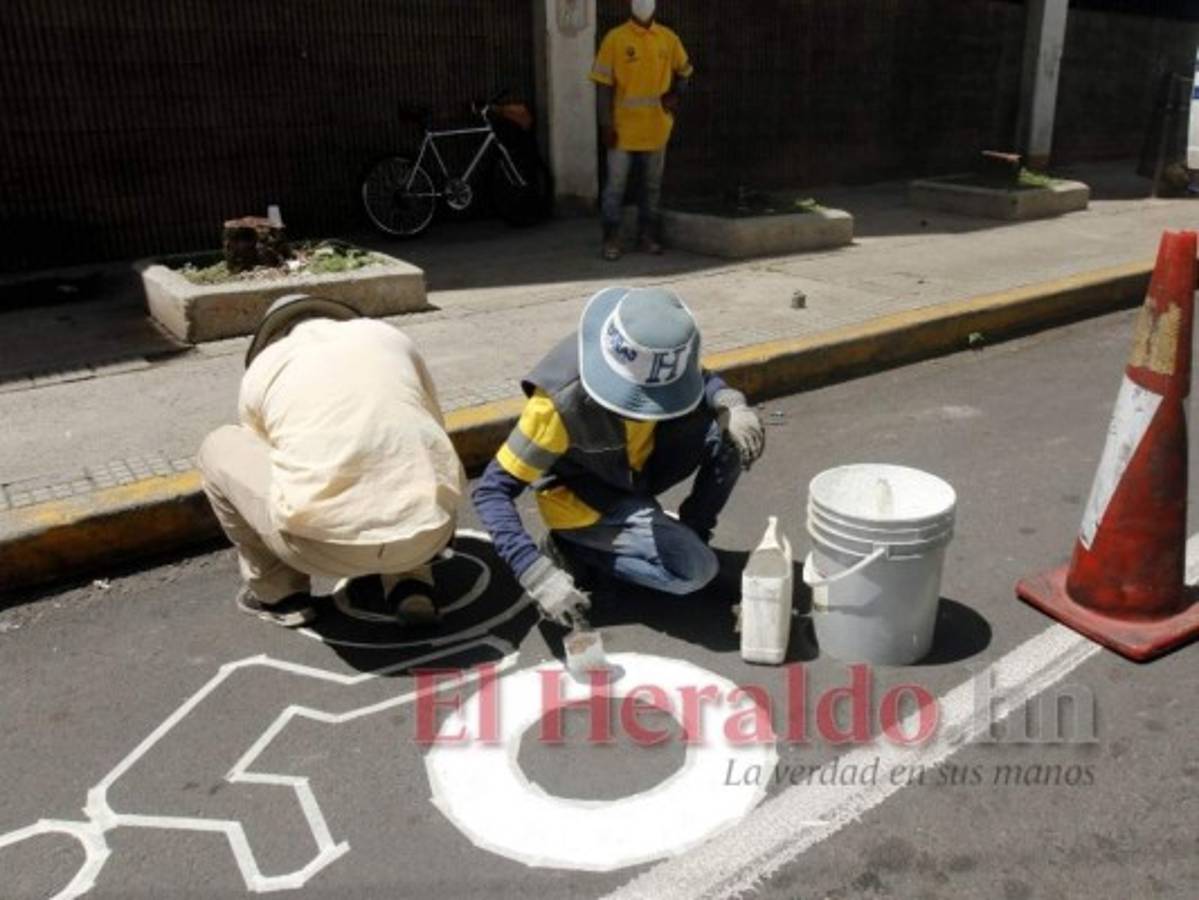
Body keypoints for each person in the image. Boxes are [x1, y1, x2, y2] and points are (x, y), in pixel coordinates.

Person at [472, 286, 764, 626]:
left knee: (733, 435)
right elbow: (491, 490)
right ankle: (572, 550)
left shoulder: (650, 354)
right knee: (696, 572)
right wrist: (535, 573)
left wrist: (731, 402)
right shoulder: (558, 405)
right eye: (640, 397)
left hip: (634, 470)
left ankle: (694, 533)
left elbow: (699, 378)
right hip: (588, 500)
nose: (651, 406)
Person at [197, 294, 465, 628]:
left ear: (274, 336)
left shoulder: (266, 366)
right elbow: (433, 425)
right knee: (403, 446)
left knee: (217, 445)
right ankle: (411, 582)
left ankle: (281, 594)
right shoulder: (388, 338)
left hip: (317, 548)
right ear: (340, 319)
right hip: (429, 535)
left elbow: (267, 454)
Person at [590, 0, 693, 261]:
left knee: (651, 188)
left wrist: (676, 95)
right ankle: (611, 239)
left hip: (656, 128)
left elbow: (685, 71)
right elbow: (603, 86)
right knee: (615, 187)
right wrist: (605, 124)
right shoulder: (615, 38)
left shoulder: (668, 38)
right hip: (622, 130)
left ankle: (647, 236)